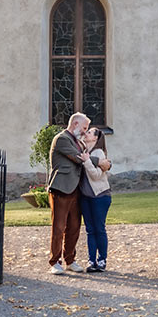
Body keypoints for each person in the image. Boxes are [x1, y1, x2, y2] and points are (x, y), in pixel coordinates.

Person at [47, 112, 110, 275]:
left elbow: (87, 154)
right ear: (74, 124)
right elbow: (79, 158)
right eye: (84, 128)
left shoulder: (78, 141)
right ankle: (55, 262)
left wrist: (105, 161)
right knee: (58, 227)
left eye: (87, 129)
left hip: (77, 191)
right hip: (61, 189)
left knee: (74, 227)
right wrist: (101, 162)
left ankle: (70, 260)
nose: (85, 131)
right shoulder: (61, 139)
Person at [79, 127, 111, 272]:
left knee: (99, 228)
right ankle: (91, 261)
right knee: (90, 230)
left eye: (90, 132)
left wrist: (86, 162)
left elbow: (96, 176)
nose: (86, 133)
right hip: (85, 197)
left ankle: (102, 259)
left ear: (95, 138)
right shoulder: (85, 151)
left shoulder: (98, 153)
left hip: (100, 196)